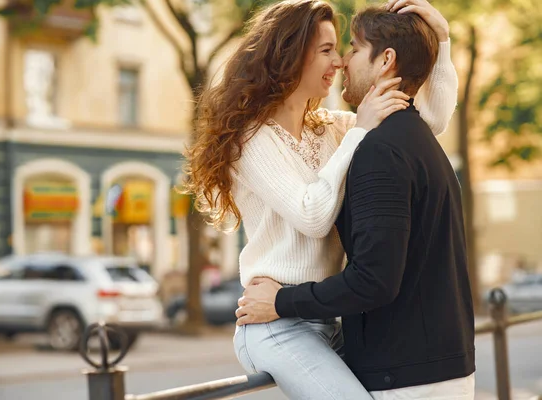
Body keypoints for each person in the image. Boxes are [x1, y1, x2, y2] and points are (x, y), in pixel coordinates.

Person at [184, 0, 459, 398]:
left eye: (341, 49)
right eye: (327, 50)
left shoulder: (332, 129)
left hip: (329, 318)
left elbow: (428, 121)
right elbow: (311, 214)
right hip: (274, 324)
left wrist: (443, 40)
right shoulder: (252, 139)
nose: (341, 62)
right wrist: (360, 131)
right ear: (291, 54)